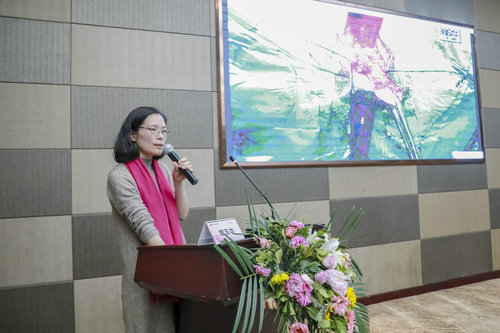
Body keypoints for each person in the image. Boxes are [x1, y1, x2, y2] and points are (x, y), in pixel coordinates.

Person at [106, 106, 194, 333]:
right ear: (132, 135)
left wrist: (178, 183)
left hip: (175, 275)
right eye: (152, 129)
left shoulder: (164, 170)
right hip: (146, 279)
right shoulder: (120, 176)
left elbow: (181, 214)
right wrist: (176, 268)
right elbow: (144, 226)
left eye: (164, 131)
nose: (160, 137)